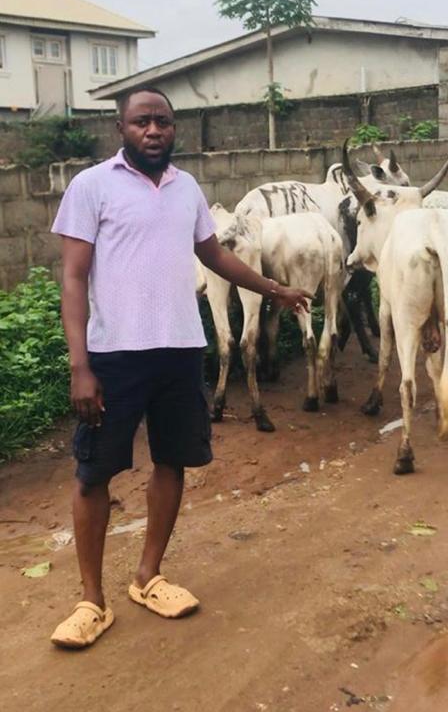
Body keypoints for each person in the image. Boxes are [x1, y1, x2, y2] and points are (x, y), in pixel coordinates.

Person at [48, 86, 311, 649]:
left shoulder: (186, 187)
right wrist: (80, 365)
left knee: (172, 461)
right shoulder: (91, 186)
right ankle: (91, 601)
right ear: (121, 129)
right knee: (94, 473)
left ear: (174, 128)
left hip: (179, 350)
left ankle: (148, 577)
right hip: (114, 356)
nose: (153, 131)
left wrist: (274, 288)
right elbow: (73, 277)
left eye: (163, 121)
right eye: (141, 122)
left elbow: (213, 255)